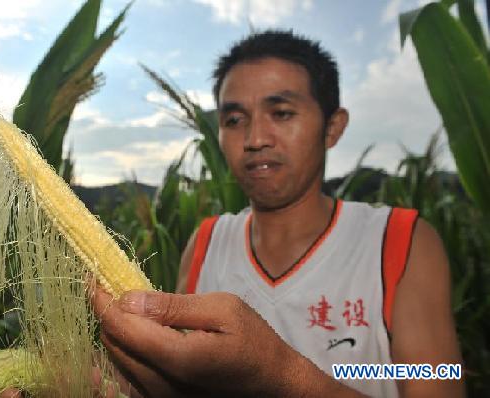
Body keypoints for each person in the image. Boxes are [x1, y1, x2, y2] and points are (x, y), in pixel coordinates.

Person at [91, 30, 464, 398]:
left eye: (281, 113)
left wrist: (279, 374)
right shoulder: (206, 242)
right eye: (234, 120)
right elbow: (181, 383)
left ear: (333, 127)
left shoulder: (400, 241)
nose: (255, 139)